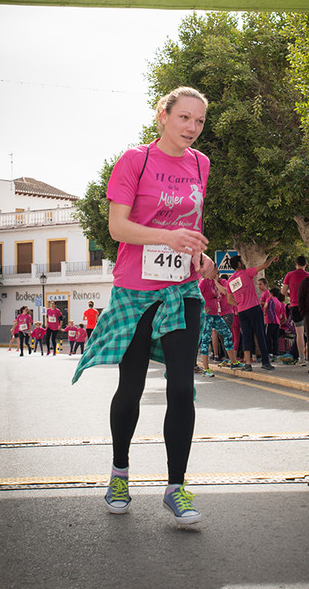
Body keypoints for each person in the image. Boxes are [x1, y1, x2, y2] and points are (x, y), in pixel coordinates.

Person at [72, 86, 211, 525]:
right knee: (131, 387)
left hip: (181, 289)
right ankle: (119, 473)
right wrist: (169, 238)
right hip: (135, 290)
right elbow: (117, 227)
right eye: (184, 118)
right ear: (163, 115)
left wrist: (198, 257)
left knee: (181, 388)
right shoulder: (136, 160)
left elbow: (192, 224)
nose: (191, 128)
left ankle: (176, 487)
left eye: (199, 121)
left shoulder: (201, 165)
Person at [227, 253, 278, 372]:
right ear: (239, 264)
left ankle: (248, 364)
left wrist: (239, 304)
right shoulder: (246, 273)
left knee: (246, 336)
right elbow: (264, 265)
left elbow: (229, 299)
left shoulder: (230, 281)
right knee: (260, 334)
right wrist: (272, 258)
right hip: (254, 308)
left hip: (242, 311)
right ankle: (265, 362)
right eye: (242, 261)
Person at [198, 261, 242, 374]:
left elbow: (225, 292)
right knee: (206, 339)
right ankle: (206, 369)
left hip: (215, 314)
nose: (217, 272)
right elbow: (197, 296)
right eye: (215, 270)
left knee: (227, 334)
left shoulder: (213, 282)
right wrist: (202, 308)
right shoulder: (203, 282)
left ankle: (233, 362)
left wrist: (215, 282)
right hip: (207, 315)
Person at [282, 255, 309, 365]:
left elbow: (283, 292)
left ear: (296, 264)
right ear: (306, 265)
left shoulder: (289, 275)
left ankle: (301, 359)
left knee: (299, 333)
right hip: (307, 307)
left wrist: (291, 295)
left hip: (294, 305)